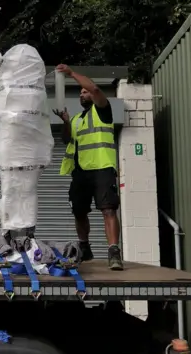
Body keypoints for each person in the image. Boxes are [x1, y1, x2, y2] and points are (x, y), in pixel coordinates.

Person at [53, 64, 123, 271]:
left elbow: (95, 90)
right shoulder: (76, 120)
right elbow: (67, 139)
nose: (83, 94)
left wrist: (71, 74)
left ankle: (113, 252)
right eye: (80, 93)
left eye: (85, 91)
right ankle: (84, 247)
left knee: (108, 209)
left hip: (102, 168)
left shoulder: (103, 111)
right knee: (79, 212)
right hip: (81, 172)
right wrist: (65, 122)